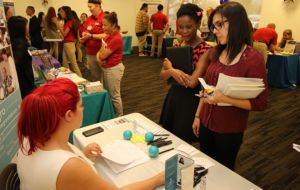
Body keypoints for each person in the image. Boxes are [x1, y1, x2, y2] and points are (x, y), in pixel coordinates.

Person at [17, 78, 165, 190]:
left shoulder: (30, 138)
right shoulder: (70, 167)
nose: (83, 109)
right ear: (69, 115)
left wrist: (82, 154)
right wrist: (158, 179)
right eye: (81, 105)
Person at [192, 2, 268, 170]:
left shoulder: (252, 59)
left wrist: (225, 98)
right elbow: (207, 87)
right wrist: (198, 116)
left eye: (220, 24)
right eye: (214, 26)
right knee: (205, 166)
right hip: (206, 122)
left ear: (236, 23)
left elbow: (261, 103)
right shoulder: (217, 51)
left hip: (228, 129)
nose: (215, 30)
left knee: (223, 172)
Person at [159, 3, 211, 143]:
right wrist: (169, 71)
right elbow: (162, 75)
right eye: (181, 27)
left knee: (184, 141)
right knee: (171, 138)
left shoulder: (205, 50)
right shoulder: (177, 45)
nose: (184, 31)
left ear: (198, 24)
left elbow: (192, 82)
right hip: (174, 97)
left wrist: (172, 71)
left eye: (189, 27)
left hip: (191, 101)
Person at [96, 12, 125, 117]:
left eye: (105, 25)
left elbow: (102, 55)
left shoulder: (116, 38)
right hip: (108, 68)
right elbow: (99, 53)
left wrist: (99, 57)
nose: (103, 27)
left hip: (114, 69)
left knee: (115, 95)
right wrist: (99, 57)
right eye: (102, 25)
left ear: (113, 25)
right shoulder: (108, 36)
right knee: (109, 93)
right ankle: (113, 115)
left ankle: (119, 117)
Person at [8, 16, 35, 99]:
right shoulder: (20, 44)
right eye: (26, 26)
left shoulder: (18, 41)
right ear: (20, 28)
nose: (28, 28)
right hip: (24, 83)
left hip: (24, 82)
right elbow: (18, 64)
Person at [80, 0, 106, 82]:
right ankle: (99, 94)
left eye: (90, 7)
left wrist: (91, 36)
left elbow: (107, 35)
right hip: (90, 53)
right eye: (88, 7)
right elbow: (85, 31)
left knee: (105, 78)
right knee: (95, 77)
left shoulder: (105, 17)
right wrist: (84, 36)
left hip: (102, 53)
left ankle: (106, 94)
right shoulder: (89, 19)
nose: (89, 9)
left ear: (98, 6)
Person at [56, 6, 82, 76]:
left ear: (66, 12)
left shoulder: (70, 22)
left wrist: (58, 26)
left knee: (73, 64)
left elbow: (64, 34)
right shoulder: (67, 22)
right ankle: (69, 78)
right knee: (64, 63)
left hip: (69, 44)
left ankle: (82, 80)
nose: (59, 13)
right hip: (67, 43)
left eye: (61, 11)